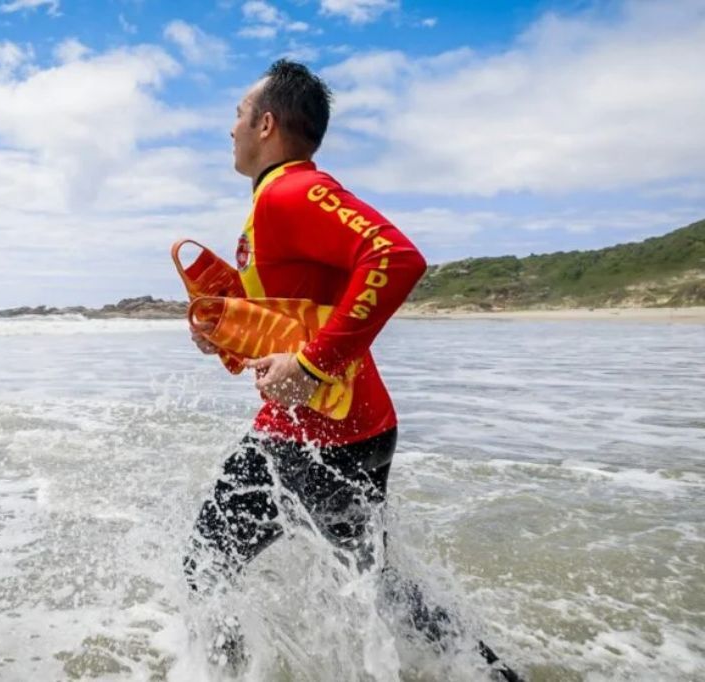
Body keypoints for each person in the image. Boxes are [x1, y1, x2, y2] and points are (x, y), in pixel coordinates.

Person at [183, 60, 522, 681]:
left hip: (312, 433)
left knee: (204, 561)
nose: (228, 129)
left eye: (237, 115)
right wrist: (228, 331)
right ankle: (490, 675)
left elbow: (395, 257)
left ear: (265, 123)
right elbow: (299, 313)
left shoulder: (291, 192)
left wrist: (313, 365)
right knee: (374, 582)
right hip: (356, 425)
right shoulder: (275, 201)